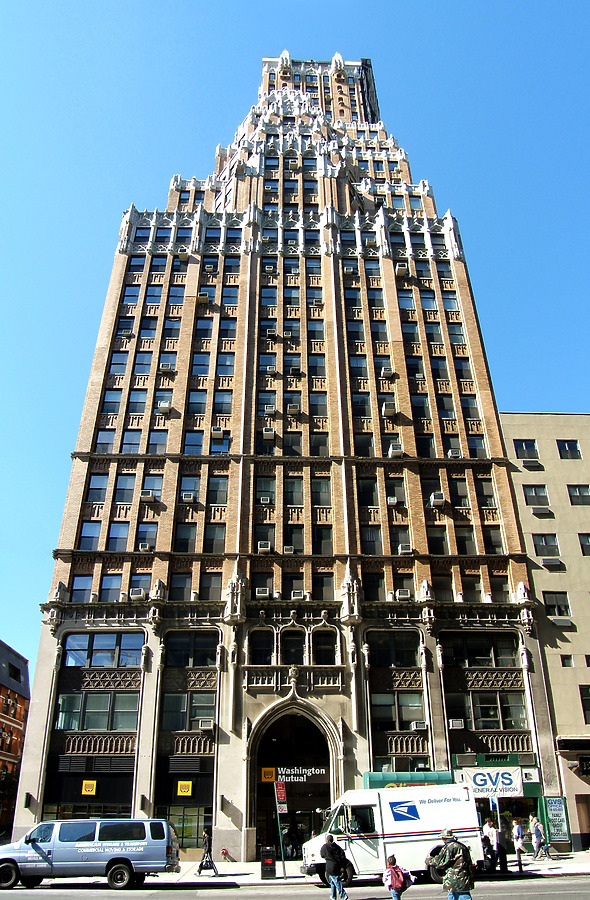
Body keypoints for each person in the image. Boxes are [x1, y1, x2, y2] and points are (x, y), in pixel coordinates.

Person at [426, 828, 475, 900]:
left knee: (460, 896)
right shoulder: (462, 846)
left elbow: (440, 862)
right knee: (457, 894)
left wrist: (429, 860)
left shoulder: (449, 847)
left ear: (444, 838)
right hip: (464, 876)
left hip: (455, 878)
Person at [320, 834, 348, 900]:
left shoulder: (325, 846)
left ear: (327, 840)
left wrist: (327, 857)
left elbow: (322, 855)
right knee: (332, 882)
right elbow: (342, 855)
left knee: (336, 881)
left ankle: (343, 895)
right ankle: (333, 896)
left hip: (329, 867)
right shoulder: (337, 847)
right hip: (337, 866)